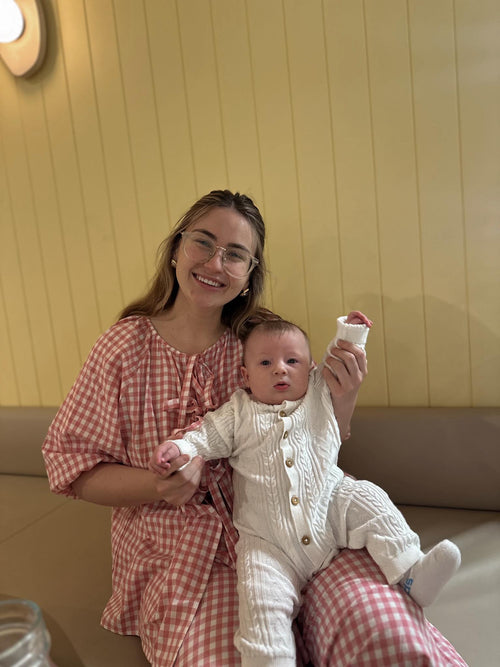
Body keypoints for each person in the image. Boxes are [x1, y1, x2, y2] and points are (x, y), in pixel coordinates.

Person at [42, 190, 467, 666]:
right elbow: (72, 467)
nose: (214, 263)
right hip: (186, 555)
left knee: (388, 638)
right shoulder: (123, 348)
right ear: (177, 247)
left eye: (235, 254)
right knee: (245, 656)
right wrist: (158, 484)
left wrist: (344, 397)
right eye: (203, 242)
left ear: (248, 275)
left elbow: (317, 436)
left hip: (308, 522)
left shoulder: (264, 342)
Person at [149, 315, 461, 666]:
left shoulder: (318, 391)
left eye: (292, 361)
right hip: (267, 542)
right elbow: (203, 437)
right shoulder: (237, 413)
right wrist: (179, 449)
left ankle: (410, 572)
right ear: (245, 376)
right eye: (265, 363)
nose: (280, 369)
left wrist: (353, 331)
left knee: (369, 497)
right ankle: (270, 658)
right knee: (259, 601)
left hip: (330, 510)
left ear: (310, 368)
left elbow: (342, 356)